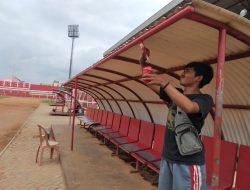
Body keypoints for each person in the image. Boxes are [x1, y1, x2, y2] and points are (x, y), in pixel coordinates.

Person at [140, 46, 214, 190]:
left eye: (187, 71)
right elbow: (148, 81)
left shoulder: (204, 99)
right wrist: (143, 63)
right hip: (168, 157)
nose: (182, 74)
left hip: (188, 161)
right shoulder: (176, 94)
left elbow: (190, 107)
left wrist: (164, 83)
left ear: (199, 78)